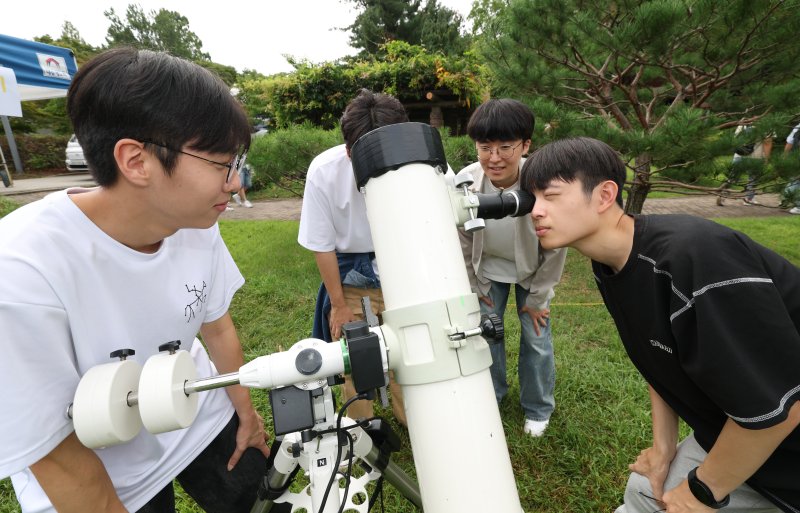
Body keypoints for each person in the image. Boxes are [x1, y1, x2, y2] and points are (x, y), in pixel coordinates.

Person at [0, 48, 274, 513]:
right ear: (136, 160)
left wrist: (245, 413)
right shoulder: (20, 272)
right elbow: (60, 459)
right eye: (220, 164)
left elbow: (216, 326)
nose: (234, 183)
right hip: (106, 466)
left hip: (194, 408)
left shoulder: (195, 224)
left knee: (263, 499)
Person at [522, 136, 800, 512]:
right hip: (733, 430)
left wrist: (703, 490)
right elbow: (658, 357)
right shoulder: (612, 264)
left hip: (782, 448)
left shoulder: (698, 257)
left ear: (605, 195)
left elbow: (782, 405)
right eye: (532, 198)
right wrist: (662, 447)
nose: (535, 211)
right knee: (643, 490)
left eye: (550, 195)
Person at [457, 99, 567, 438]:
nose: (494, 158)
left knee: (536, 337)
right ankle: (491, 396)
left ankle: (538, 408)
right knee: (485, 334)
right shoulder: (465, 182)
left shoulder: (542, 182)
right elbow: (462, 239)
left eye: (505, 147)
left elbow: (556, 245)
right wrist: (475, 284)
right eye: (485, 147)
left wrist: (538, 298)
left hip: (532, 272)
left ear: (525, 145)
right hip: (487, 270)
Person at [297, 89, 408, 425]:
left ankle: (414, 420)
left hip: (405, 269)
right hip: (352, 275)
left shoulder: (425, 166)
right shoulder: (324, 172)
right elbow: (322, 245)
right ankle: (359, 427)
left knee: (409, 349)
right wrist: (339, 305)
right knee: (354, 354)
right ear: (349, 151)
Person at [718, 124, 773, 206]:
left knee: (732, 177)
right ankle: (748, 199)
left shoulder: (743, 123)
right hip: (756, 157)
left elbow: (735, 140)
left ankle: (722, 195)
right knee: (753, 179)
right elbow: (767, 143)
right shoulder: (767, 125)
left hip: (740, 155)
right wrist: (766, 159)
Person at [781, 122, 800, 215]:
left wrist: (784, 157)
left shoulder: (798, 126)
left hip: (796, 158)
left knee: (794, 180)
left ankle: (787, 198)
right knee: (794, 180)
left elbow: (789, 142)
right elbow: (790, 142)